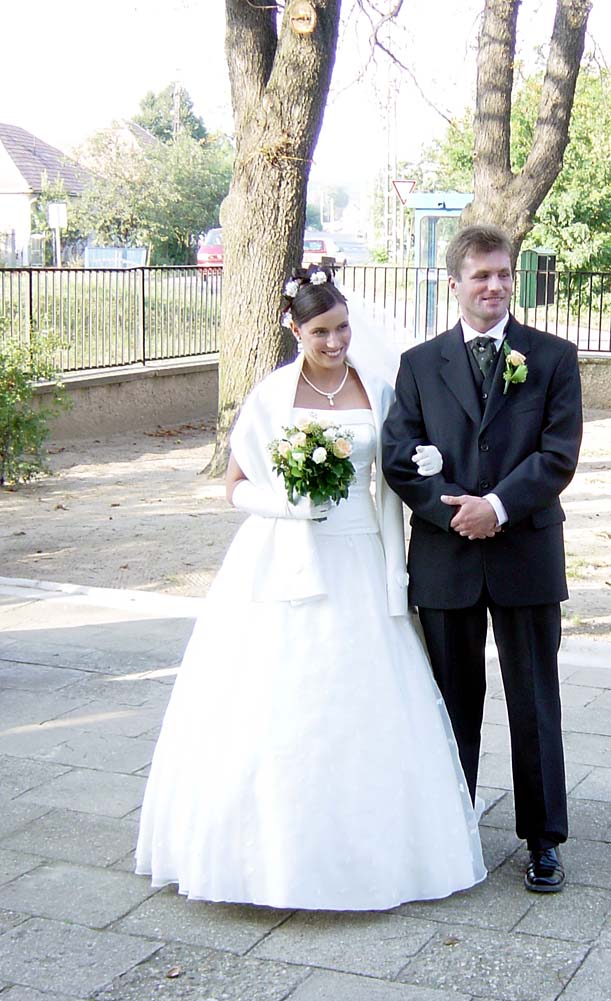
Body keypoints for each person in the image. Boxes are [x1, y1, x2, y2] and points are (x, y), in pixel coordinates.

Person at [135, 266, 486, 910]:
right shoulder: (272, 396)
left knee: (367, 694)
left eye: (342, 327)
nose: (335, 341)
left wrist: (428, 476)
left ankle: (380, 845)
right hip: (283, 558)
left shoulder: (377, 389)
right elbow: (235, 486)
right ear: (294, 330)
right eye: (321, 331)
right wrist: (287, 505)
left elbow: (396, 475)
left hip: (361, 554)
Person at [382, 225, 582, 893]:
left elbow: (558, 455)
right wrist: (451, 511)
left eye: (503, 274)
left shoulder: (552, 357)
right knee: (450, 703)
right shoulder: (419, 365)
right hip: (447, 558)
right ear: (454, 285)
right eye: (480, 276)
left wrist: (496, 506)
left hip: (526, 551)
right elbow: (399, 457)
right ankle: (451, 828)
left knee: (534, 700)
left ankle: (544, 840)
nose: (494, 286)